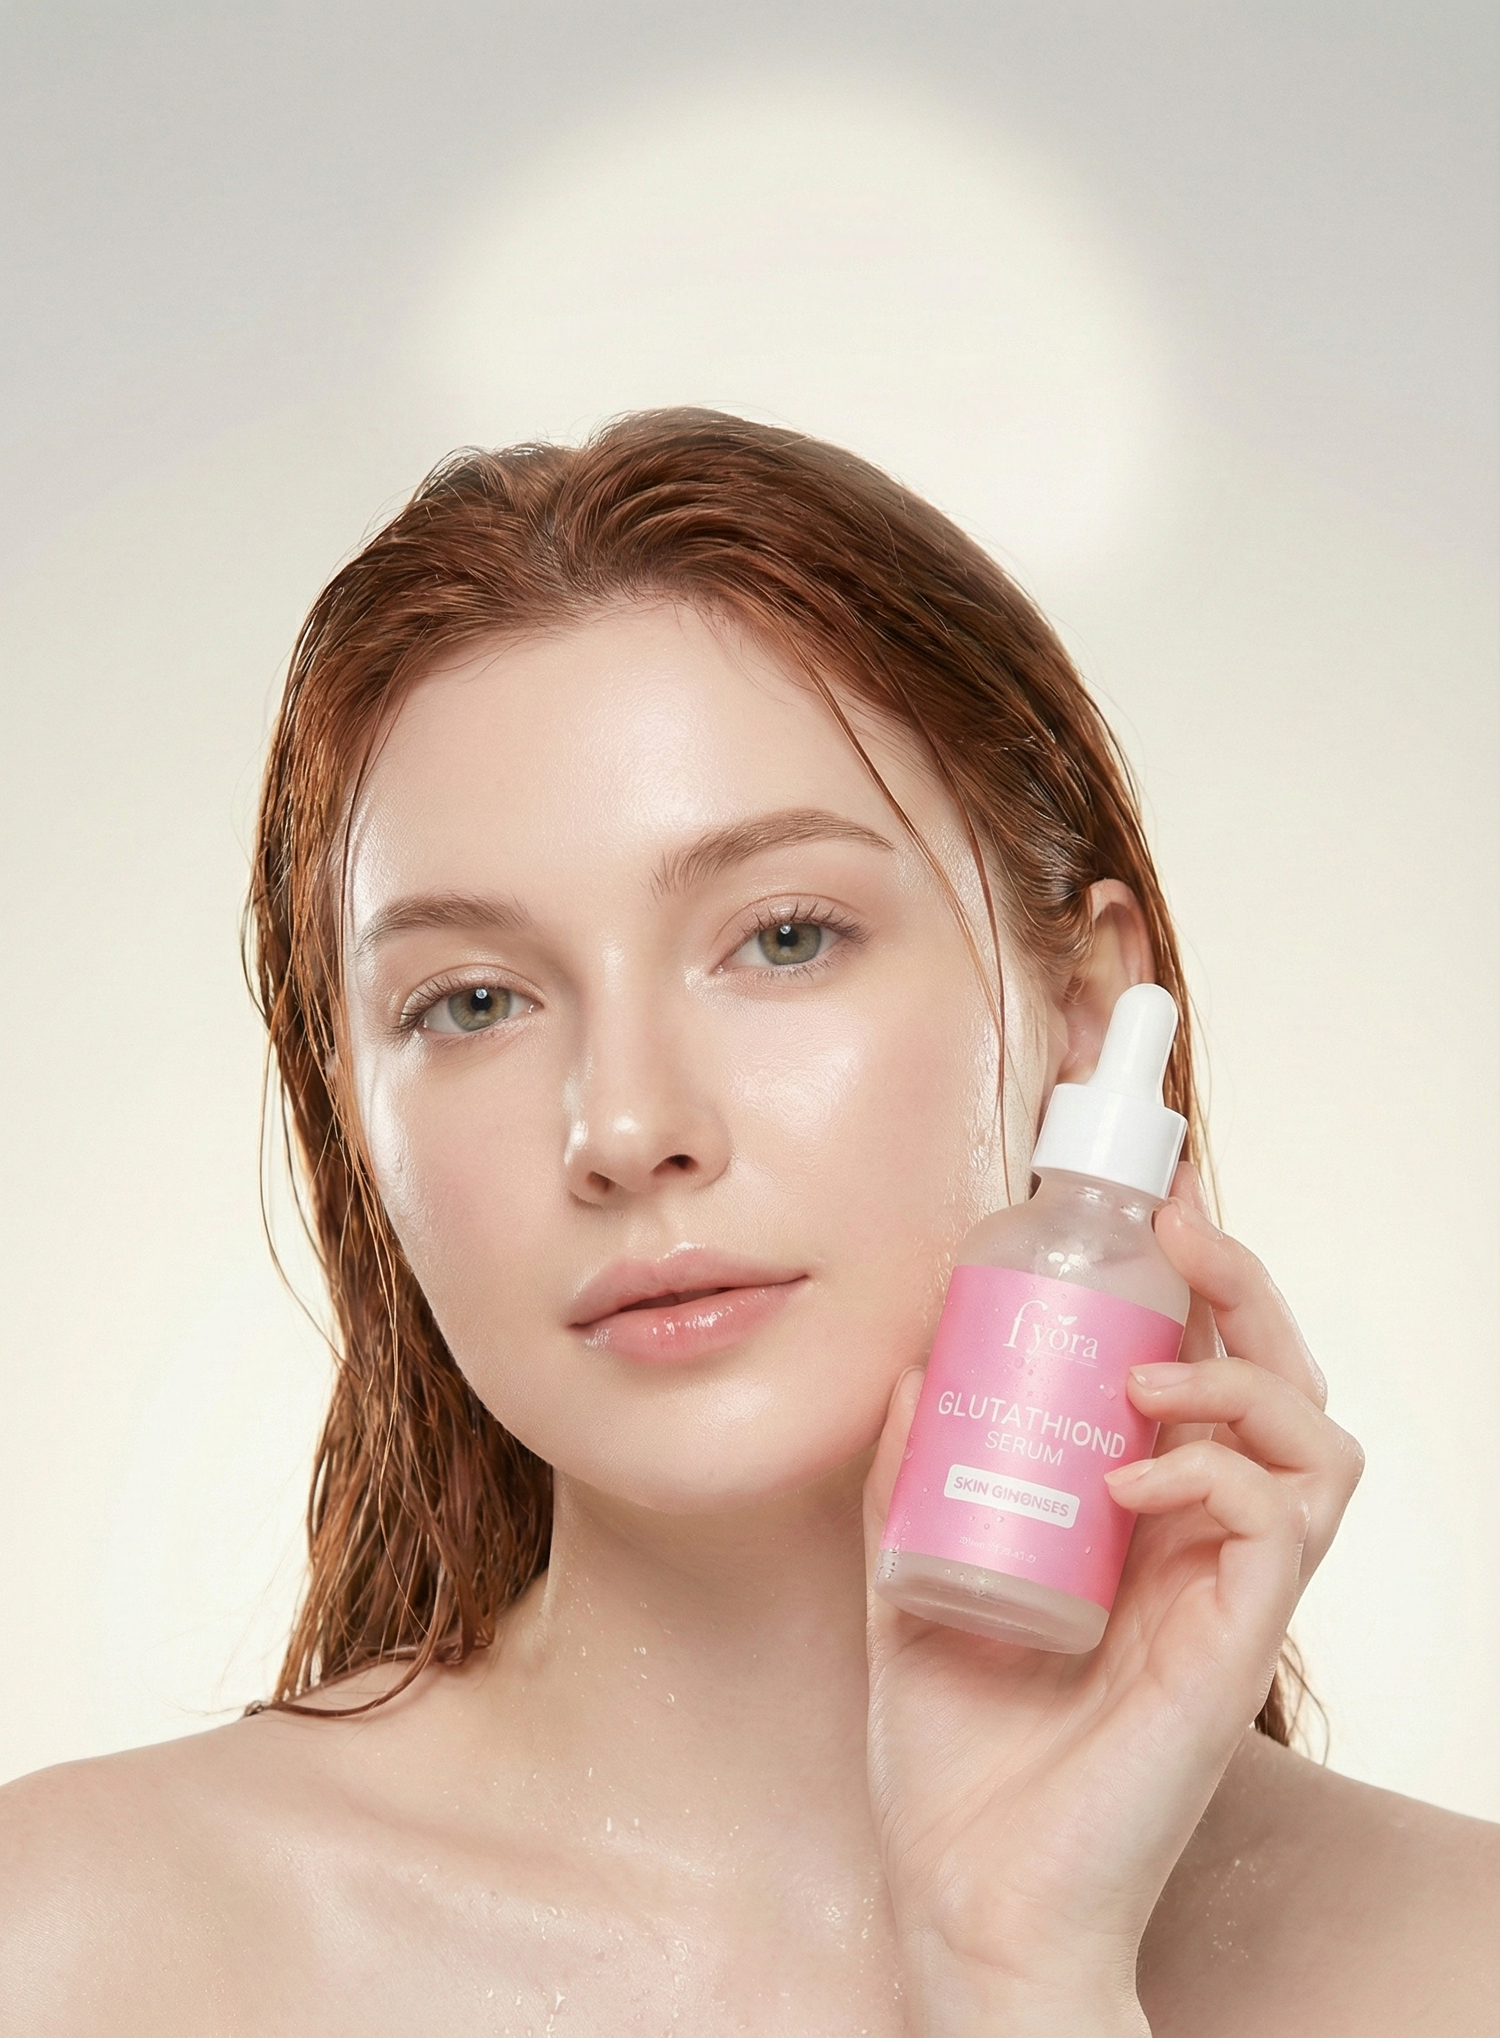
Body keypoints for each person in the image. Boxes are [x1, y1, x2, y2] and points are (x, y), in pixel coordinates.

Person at [0, 410, 1493, 2037]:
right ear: (355, 1116)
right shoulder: (80, 1948)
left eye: (784, 936)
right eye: (474, 998)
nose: (630, 1126)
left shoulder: (1448, 1963)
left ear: (1084, 1017)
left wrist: (1019, 1972)